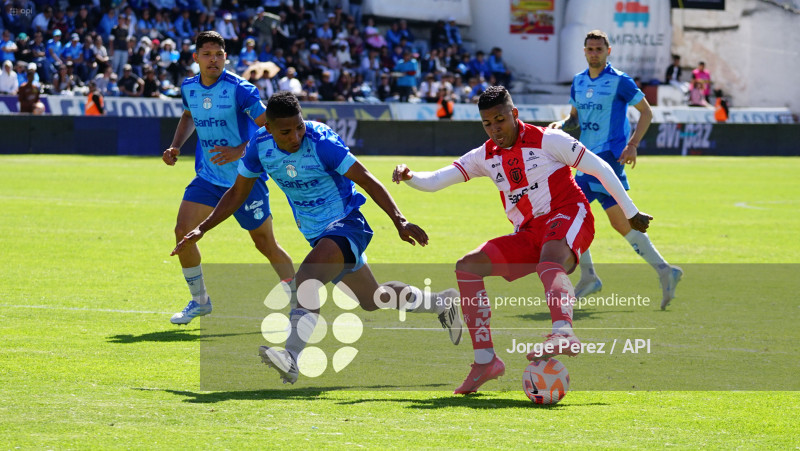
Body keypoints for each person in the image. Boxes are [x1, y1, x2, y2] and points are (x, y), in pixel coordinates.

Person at [172, 91, 463, 384]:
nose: (296, 135)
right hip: (316, 233)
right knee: (374, 298)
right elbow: (237, 192)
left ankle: (291, 357)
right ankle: (441, 302)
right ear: (268, 128)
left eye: (299, 126)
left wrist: (400, 220)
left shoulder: (321, 141)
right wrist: (203, 227)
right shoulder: (259, 147)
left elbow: (366, 178)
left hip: (347, 223)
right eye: (286, 131)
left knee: (307, 279)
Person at [392, 86, 653, 394]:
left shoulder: (549, 140)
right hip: (528, 232)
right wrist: (410, 176)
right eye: (487, 123)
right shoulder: (485, 155)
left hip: (568, 214)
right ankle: (485, 361)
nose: (495, 129)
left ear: (514, 114)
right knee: (468, 267)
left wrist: (631, 211)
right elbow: (436, 180)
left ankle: (562, 332)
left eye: (500, 120)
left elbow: (599, 168)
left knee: (550, 260)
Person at [162, 31, 295, 325]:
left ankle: (300, 300)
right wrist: (176, 146)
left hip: (245, 179)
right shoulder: (188, 87)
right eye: (207, 54)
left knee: (265, 244)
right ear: (195, 58)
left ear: (226, 57)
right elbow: (188, 115)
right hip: (208, 177)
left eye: (219, 54)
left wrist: (239, 150)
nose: (213, 60)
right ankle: (200, 301)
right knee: (183, 231)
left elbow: (267, 127)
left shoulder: (240, 89)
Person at [548, 30, 682, 310]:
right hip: (583, 158)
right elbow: (574, 119)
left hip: (608, 158)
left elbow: (646, 112)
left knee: (570, 212)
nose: (594, 53)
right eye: (590, 49)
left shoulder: (620, 81)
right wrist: (557, 128)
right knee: (620, 223)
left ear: (609, 50)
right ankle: (665, 271)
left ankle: (589, 277)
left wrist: (633, 144)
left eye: (599, 48)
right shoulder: (578, 81)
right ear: (584, 51)